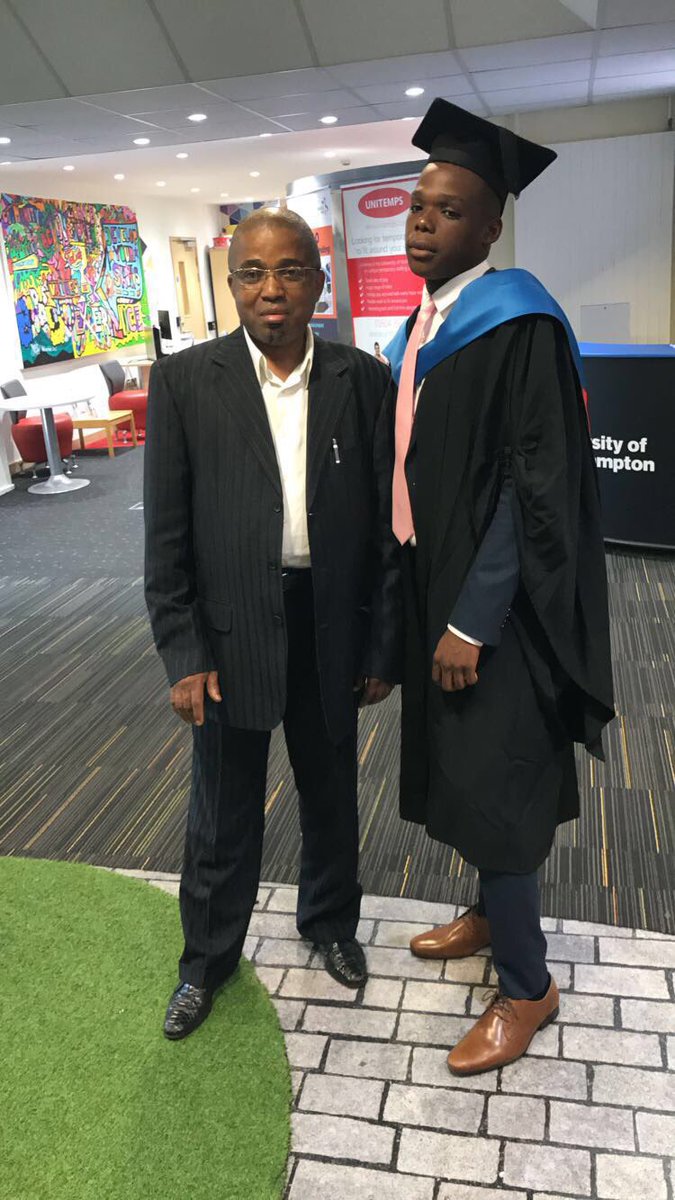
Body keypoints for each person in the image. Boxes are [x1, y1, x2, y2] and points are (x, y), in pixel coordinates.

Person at [384, 99, 614, 1076]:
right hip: (432, 587)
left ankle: (527, 987)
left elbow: (535, 490)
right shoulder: (420, 326)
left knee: (500, 781)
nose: (422, 225)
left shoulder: (518, 323)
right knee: (466, 772)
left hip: (498, 610)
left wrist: (472, 620)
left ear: (489, 227)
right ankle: (487, 913)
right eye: (417, 207)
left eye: (448, 211)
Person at [145, 208, 401, 1040]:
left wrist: (380, 644)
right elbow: (167, 538)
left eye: (290, 270)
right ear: (231, 286)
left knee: (330, 793)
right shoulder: (187, 383)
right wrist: (184, 653)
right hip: (229, 635)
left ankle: (329, 923)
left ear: (318, 283)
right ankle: (205, 961)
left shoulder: (362, 380)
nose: (271, 289)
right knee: (221, 810)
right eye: (252, 273)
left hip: (329, 621)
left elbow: (385, 530)